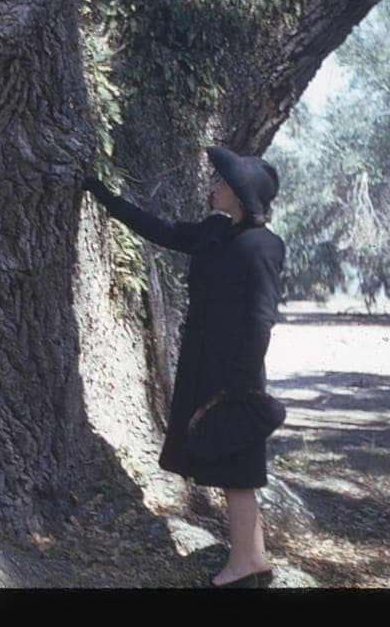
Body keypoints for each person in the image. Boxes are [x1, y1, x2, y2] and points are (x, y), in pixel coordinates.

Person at [83, 146, 285, 589]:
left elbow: (261, 320)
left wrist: (240, 386)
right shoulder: (217, 232)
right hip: (205, 364)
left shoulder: (264, 246)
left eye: (221, 183)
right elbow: (166, 230)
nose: (212, 186)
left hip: (235, 374)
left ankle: (245, 564)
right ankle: (253, 557)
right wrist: (104, 197)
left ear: (241, 195)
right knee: (234, 468)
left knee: (238, 469)